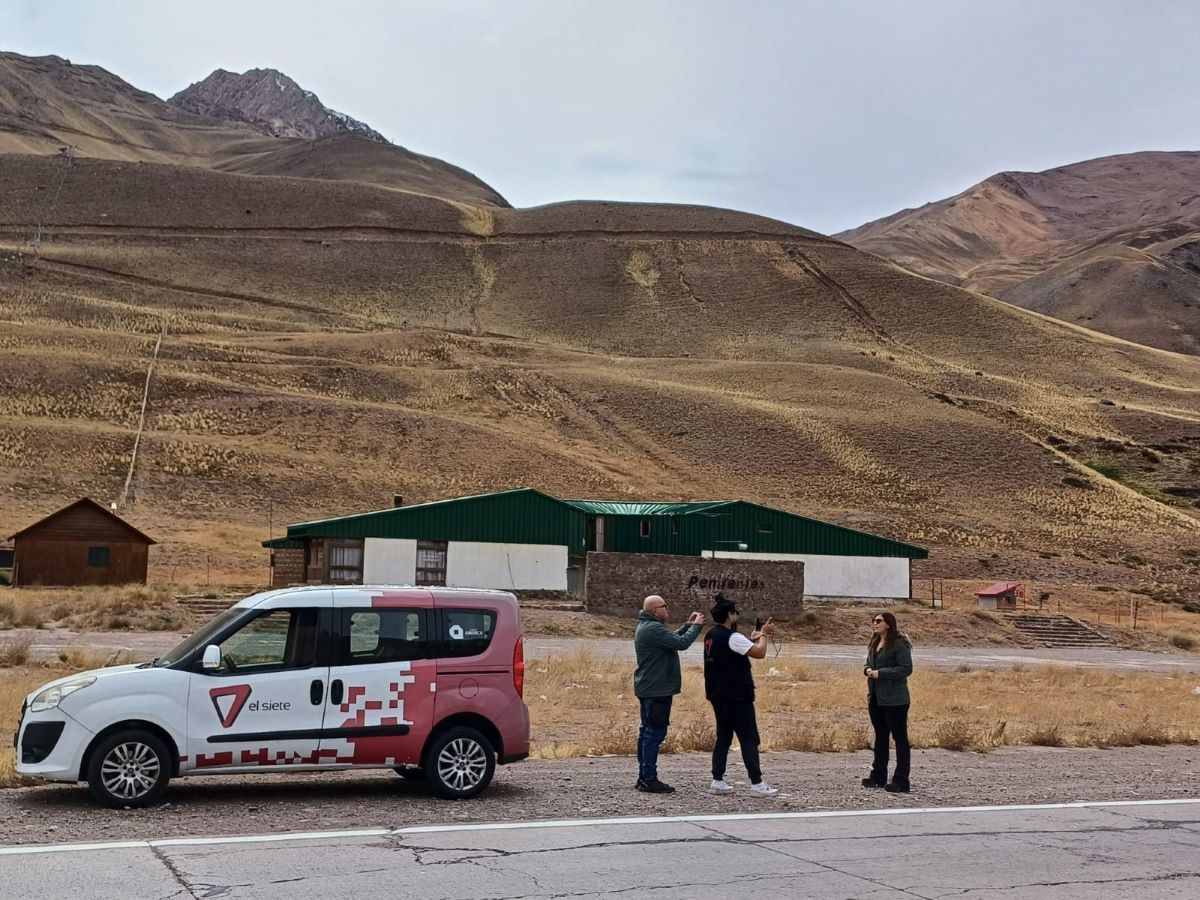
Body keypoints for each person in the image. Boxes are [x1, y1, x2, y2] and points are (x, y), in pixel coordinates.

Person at [703, 595, 779, 797]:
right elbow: (759, 653)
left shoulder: (711, 634)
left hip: (717, 693)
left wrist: (753, 639)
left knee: (724, 737)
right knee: (749, 738)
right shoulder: (732, 637)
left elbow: (732, 651)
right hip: (737, 695)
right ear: (730, 615)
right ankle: (757, 783)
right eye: (735, 612)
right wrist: (764, 634)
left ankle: (717, 779)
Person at [633, 594, 704, 793]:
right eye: (664, 606)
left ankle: (644, 776)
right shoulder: (653, 628)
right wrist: (697, 626)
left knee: (646, 732)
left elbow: (672, 639)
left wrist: (687, 625)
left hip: (649, 687)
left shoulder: (648, 626)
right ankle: (649, 778)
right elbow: (681, 644)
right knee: (654, 733)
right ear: (656, 611)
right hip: (657, 689)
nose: (667, 609)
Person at [862, 611, 913, 793]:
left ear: (888, 624)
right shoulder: (875, 642)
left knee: (900, 738)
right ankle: (878, 776)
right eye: (873, 620)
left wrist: (881, 673)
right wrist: (867, 670)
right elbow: (868, 663)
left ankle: (901, 780)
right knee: (881, 736)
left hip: (895, 699)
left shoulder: (899, 643)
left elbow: (906, 668)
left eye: (878, 621)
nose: (874, 623)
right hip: (876, 697)